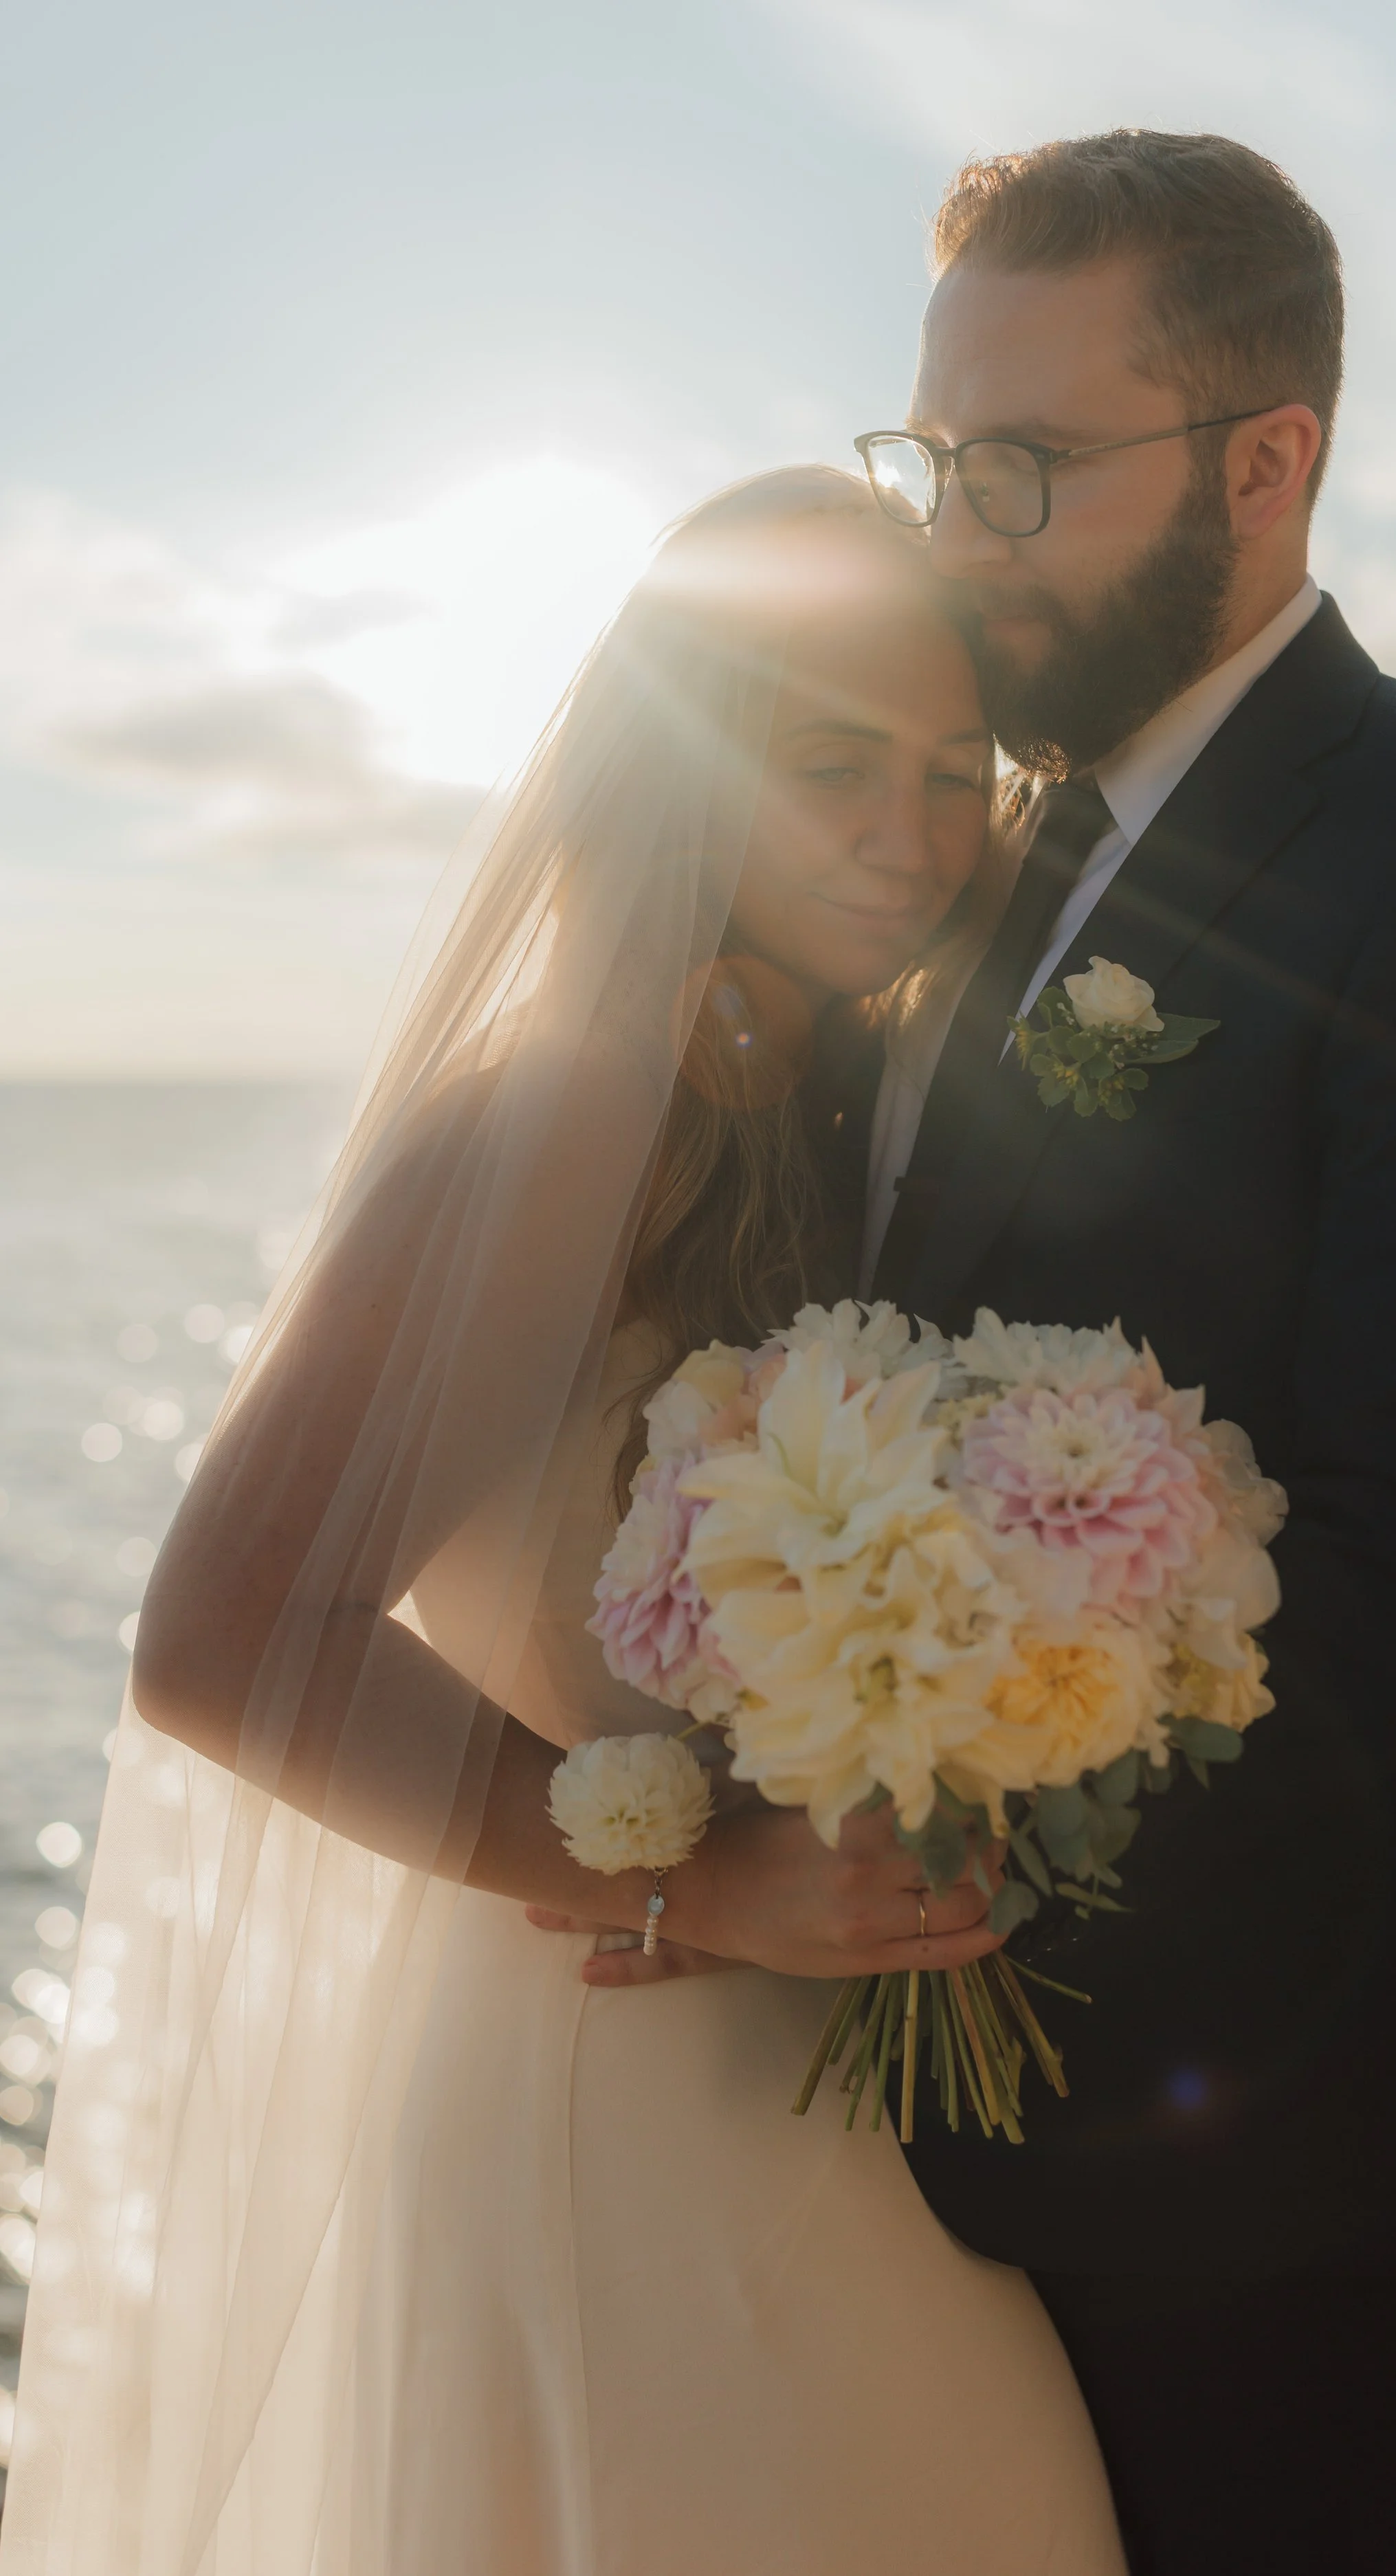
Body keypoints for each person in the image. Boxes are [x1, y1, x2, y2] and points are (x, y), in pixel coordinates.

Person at [0, 470, 1127, 2576]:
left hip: (764, 2065)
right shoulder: (579, 1098)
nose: (907, 829)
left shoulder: (776, 1099)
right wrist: (710, 1882)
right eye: (827, 766)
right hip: (624, 2085)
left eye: (948, 772)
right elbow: (225, 1629)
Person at [834, 129, 1396, 2575]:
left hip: (1263, 2111)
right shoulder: (974, 842)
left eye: (1022, 468)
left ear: (1265, 457)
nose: (954, 531)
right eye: (933, 459)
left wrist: (966, 1803)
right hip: (909, 2090)